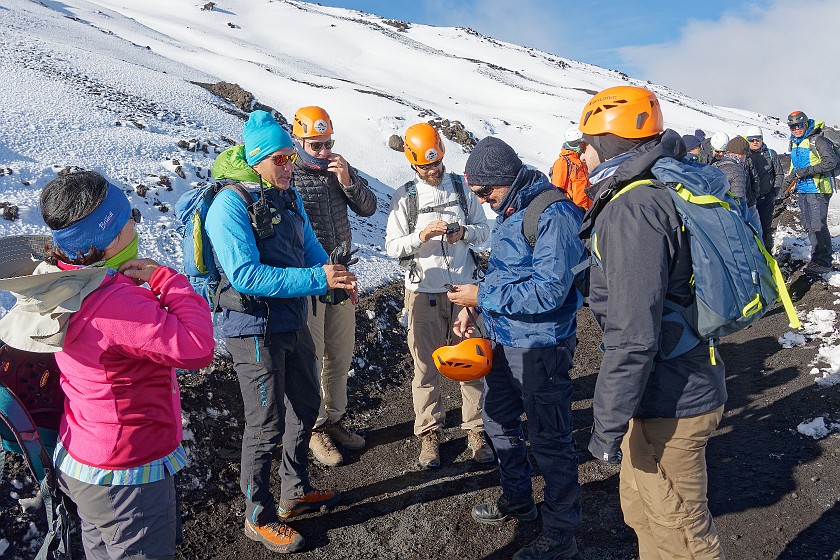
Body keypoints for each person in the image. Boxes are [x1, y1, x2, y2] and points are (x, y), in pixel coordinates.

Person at [8, 170, 215, 560]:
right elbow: (198, 346)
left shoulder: (61, 282)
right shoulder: (115, 303)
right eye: (127, 219)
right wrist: (167, 280)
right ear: (108, 235)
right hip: (126, 472)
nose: (136, 224)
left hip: (84, 458)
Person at [578, 86, 727, 559]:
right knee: (644, 515)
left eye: (585, 140)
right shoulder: (651, 190)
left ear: (606, 142)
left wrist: (606, 427)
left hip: (672, 399)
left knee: (681, 538)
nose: (580, 152)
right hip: (668, 387)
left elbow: (632, 336)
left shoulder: (632, 209)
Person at [207, 110, 355, 553]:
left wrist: (334, 278)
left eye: (291, 156)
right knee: (265, 424)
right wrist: (316, 281)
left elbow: (310, 248)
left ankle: (293, 492)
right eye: (280, 159)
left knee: (306, 405)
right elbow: (246, 275)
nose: (289, 165)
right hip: (252, 329)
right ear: (257, 160)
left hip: (289, 319)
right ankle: (258, 515)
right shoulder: (229, 205)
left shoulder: (286, 196)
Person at [448, 136, 584, 560]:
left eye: (486, 192)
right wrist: (478, 312)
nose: (484, 201)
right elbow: (511, 275)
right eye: (478, 194)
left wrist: (481, 296)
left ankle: (562, 535)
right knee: (497, 420)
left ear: (506, 180)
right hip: (505, 340)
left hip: (543, 346)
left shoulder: (553, 213)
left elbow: (549, 292)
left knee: (550, 438)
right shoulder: (510, 210)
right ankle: (519, 498)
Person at [385, 122, 493, 469]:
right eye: (425, 166)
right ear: (412, 164)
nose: (433, 171)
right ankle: (429, 433)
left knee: (472, 363)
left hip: (464, 290)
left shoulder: (462, 189)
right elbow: (391, 247)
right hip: (422, 293)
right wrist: (421, 236)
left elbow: (484, 231)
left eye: (437, 164)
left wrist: (463, 232)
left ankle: (476, 429)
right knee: (425, 367)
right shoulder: (405, 197)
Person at [291, 106, 377, 467]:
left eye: (328, 143)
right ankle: (315, 429)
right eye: (316, 145)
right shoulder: (289, 174)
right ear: (298, 140)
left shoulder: (337, 169)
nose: (324, 151)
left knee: (340, 355)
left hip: (343, 276)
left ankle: (335, 418)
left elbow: (369, 208)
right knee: (313, 356)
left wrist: (348, 181)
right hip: (310, 280)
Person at [786, 110, 838, 275]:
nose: (796, 129)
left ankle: (825, 261)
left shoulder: (818, 140)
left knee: (818, 225)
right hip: (803, 189)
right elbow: (794, 168)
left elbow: (831, 162)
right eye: (792, 126)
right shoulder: (795, 143)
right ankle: (817, 258)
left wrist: (807, 171)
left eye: (799, 125)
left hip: (819, 188)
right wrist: (782, 189)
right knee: (809, 226)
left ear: (806, 123)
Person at [745, 126, 784, 250]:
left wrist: (775, 191)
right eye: (752, 140)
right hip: (750, 199)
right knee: (750, 227)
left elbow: (779, 173)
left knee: (766, 227)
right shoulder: (744, 155)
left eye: (758, 139)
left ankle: (767, 255)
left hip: (767, 197)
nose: (755, 142)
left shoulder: (771, 154)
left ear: (762, 139)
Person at [714, 135, 762, 236]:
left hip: (720, 214)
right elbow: (739, 200)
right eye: (745, 155)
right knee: (756, 234)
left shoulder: (716, 166)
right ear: (740, 155)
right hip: (741, 212)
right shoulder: (737, 169)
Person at [550, 126, 592, 210]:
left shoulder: (583, 161)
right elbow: (557, 191)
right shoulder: (563, 162)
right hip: (573, 211)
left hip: (588, 210)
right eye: (582, 143)